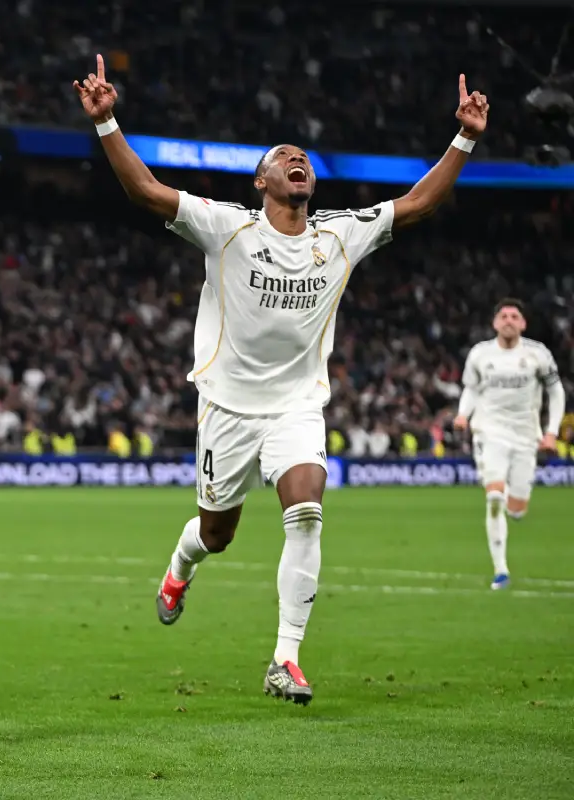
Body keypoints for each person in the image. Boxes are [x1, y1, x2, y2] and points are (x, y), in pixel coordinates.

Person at [74, 55, 490, 705]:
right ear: (262, 179)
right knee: (217, 532)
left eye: (305, 158)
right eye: (284, 156)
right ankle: (181, 566)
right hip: (228, 408)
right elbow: (147, 193)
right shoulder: (227, 227)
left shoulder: (339, 236)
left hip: (297, 404)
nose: (298, 161)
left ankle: (284, 658)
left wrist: (463, 137)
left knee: (307, 509)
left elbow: (418, 204)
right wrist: (106, 125)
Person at [454, 299, 565, 589]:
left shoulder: (537, 354)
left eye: (514, 316)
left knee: (516, 509)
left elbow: (556, 393)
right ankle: (500, 570)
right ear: (494, 323)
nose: (508, 320)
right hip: (489, 432)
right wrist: (463, 415)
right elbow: (471, 389)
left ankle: (511, 506)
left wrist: (551, 432)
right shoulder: (480, 354)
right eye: (503, 316)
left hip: (527, 435)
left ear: (523, 324)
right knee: (493, 496)